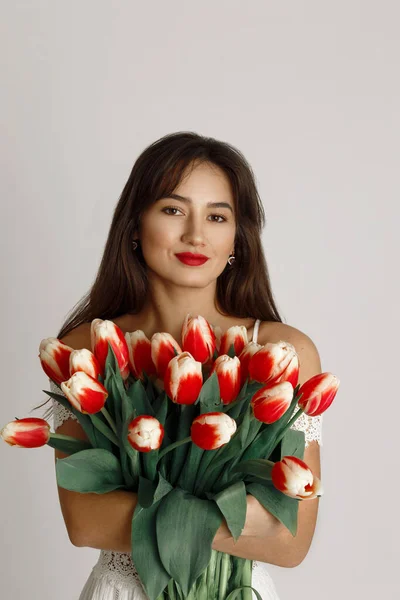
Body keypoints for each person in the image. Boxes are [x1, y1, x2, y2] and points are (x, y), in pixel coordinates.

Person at [38, 131, 323, 599]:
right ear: (134, 224)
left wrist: (155, 512)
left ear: (236, 238)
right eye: (173, 210)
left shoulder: (279, 353)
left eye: (217, 216)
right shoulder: (87, 351)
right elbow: (85, 522)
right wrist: (241, 512)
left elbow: (292, 543)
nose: (196, 234)